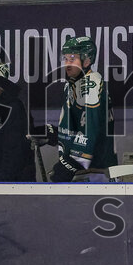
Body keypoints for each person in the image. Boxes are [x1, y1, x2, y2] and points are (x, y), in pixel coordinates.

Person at [33, 36, 117, 182]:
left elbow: (90, 131)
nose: (67, 64)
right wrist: (55, 134)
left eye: (72, 58)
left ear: (87, 60)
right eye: (65, 59)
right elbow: (79, 126)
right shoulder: (72, 85)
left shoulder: (91, 84)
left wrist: (70, 165)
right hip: (84, 174)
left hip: (95, 175)